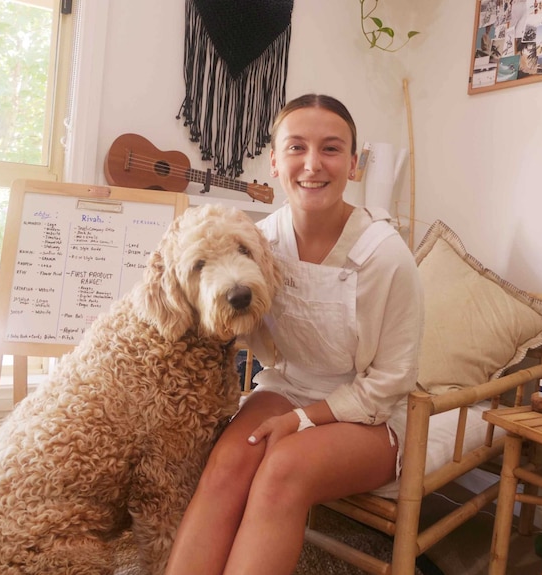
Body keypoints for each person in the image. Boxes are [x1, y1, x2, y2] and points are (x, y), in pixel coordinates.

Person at [164, 94, 424, 575]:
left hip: (371, 415)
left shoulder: (387, 256)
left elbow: (392, 381)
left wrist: (303, 422)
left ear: (353, 164)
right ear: (275, 162)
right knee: (225, 466)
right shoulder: (260, 242)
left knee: (284, 470)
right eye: (296, 147)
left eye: (330, 149)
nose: (312, 164)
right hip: (289, 387)